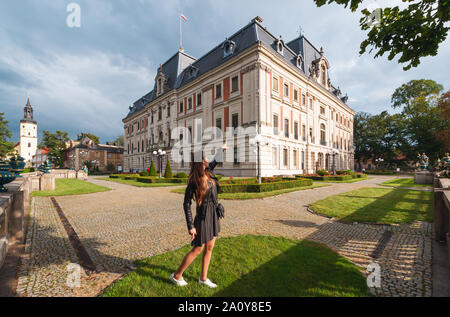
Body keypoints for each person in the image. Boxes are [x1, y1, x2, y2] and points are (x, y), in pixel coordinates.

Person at [171, 144, 227, 288]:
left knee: (210, 247)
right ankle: (177, 276)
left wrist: (222, 149)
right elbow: (186, 204)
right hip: (202, 218)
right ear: (201, 161)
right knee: (198, 248)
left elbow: (215, 161)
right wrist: (191, 226)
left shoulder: (208, 172)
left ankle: (203, 278)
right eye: (206, 157)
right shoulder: (193, 181)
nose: (208, 160)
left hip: (213, 215)